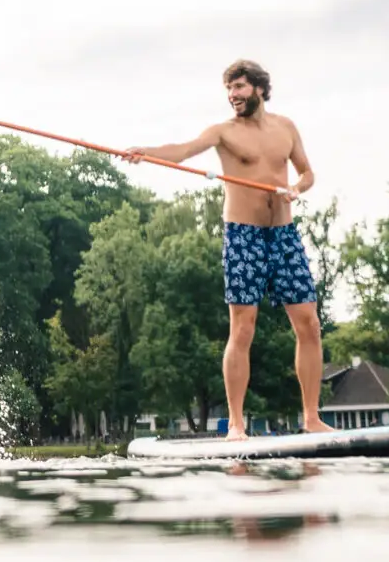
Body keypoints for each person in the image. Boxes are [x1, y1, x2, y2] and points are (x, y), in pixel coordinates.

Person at [122, 59, 327, 440]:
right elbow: (183, 150)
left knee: (310, 325)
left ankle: (312, 418)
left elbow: (307, 172)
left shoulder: (286, 128)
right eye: (229, 89)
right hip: (243, 236)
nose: (233, 96)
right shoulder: (224, 132)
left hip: (283, 235)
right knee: (243, 327)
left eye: (240, 88)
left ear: (260, 89)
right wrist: (145, 151)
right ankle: (236, 424)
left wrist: (297, 189)